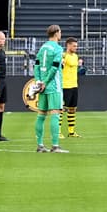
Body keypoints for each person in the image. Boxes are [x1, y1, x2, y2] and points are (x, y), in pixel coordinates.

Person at [33, 24, 68, 153]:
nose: (61, 34)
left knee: (41, 114)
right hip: (53, 85)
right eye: (60, 32)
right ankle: (55, 146)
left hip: (42, 85)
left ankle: (40, 145)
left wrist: (38, 81)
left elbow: (36, 65)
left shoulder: (42, 48)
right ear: (56, 33)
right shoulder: (58, 49)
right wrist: (46, 82)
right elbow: (54, 68)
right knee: (55, 113)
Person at [61, 37, 83, 138]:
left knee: (72, 109)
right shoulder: (63, 56)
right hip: (65, 86)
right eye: (74, 46)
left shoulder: (75, 56)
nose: (76, 48)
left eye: (76, 46)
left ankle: (71, 132)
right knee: (62, 109)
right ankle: (58, 132)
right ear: (68, 45)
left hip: (74, 85)